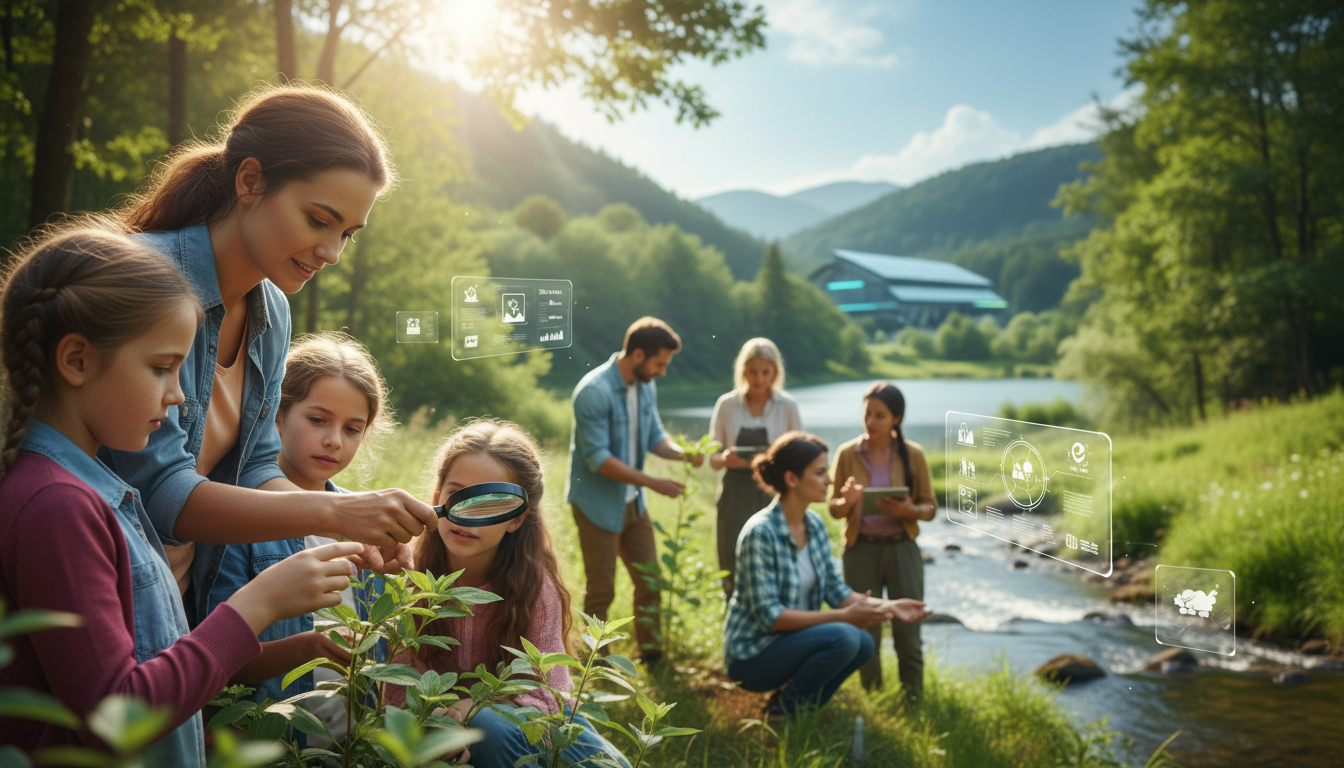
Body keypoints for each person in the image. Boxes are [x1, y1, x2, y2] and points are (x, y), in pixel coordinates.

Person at [0, 225, 363, 764]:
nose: (176, 394)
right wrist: (260, 602)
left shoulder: (90, 493)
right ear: (76, 360)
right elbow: (119, 718)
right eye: (161, 368)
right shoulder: (57, 507)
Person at [98, 84, 437, 627]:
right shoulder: (146, 283)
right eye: (318, 220)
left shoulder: (272, 310)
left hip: (182, 598)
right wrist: (337, 511)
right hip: (101, 591)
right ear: (250, 180)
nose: (331, 253)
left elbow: (255, 463)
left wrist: (351, 522)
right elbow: (159, 491)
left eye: (347, 233)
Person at [384, 420, 631, 768]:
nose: (467, 515)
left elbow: (548, 692)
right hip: (442, 727)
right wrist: (430, 726)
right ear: (436, 498)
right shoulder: (411, 578)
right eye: (457, 495)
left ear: (516, 519)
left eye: (491, 505)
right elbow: (398, 679)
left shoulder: (532, 587)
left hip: (534, 728)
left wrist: (472, 707)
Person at [203, 333, 391, 729]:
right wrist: (305, 650)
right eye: (318, 419)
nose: (333, 440)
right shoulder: (240, 518)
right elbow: (216, 660)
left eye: (353, 429)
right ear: (277, 413)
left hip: (350, 743)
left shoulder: (367, 528)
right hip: (275, 741)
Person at [724, 431, 930, 717]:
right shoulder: (760, 533)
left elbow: (837, 591)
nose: (830, 480)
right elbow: (771, 617)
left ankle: (796, 707)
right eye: (820, 472)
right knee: (845, 636)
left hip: (788, 644)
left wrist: (890, 606)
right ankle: (784, 714)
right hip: (752, 656)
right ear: (791, 478)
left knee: (864, 644)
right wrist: (844, 617)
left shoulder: (815, 525)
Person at [564, 317, 702, 664]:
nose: (663, 372)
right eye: (660, 364)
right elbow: (599, 460)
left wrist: (684, 453)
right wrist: (652, 482)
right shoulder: (593, 391)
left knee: (650, 581)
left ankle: (652, 656)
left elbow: (655, 436)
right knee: (601, 590)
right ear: (638, 355)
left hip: (633, 505)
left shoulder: (645, 385)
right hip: (597, 505)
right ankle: (593, 668)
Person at [828, 382, 937, 703]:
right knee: (865, 629)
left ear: (896, 418)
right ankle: (873, 699)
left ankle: (913, 699)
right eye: (867, 414)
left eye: (880, 415)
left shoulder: (913, 454)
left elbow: (930, 507)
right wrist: (847, 501)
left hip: (902, 548)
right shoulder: (847, 453)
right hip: (860, 550)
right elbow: (834, 509)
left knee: (909, 631)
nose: (871, 422)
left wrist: (909, 510)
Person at [708, 338, 802, 598]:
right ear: (742, 371)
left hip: (774, 493)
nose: (759, 379)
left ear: (775, 372)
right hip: (733, 495)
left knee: (774, 565)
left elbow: (799, 457)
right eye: (752, 372)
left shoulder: (788, 406)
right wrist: (723, 459)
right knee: (732, 562)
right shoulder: (726, 405)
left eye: (765, 372)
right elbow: (711, 457)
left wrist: (752, 463)